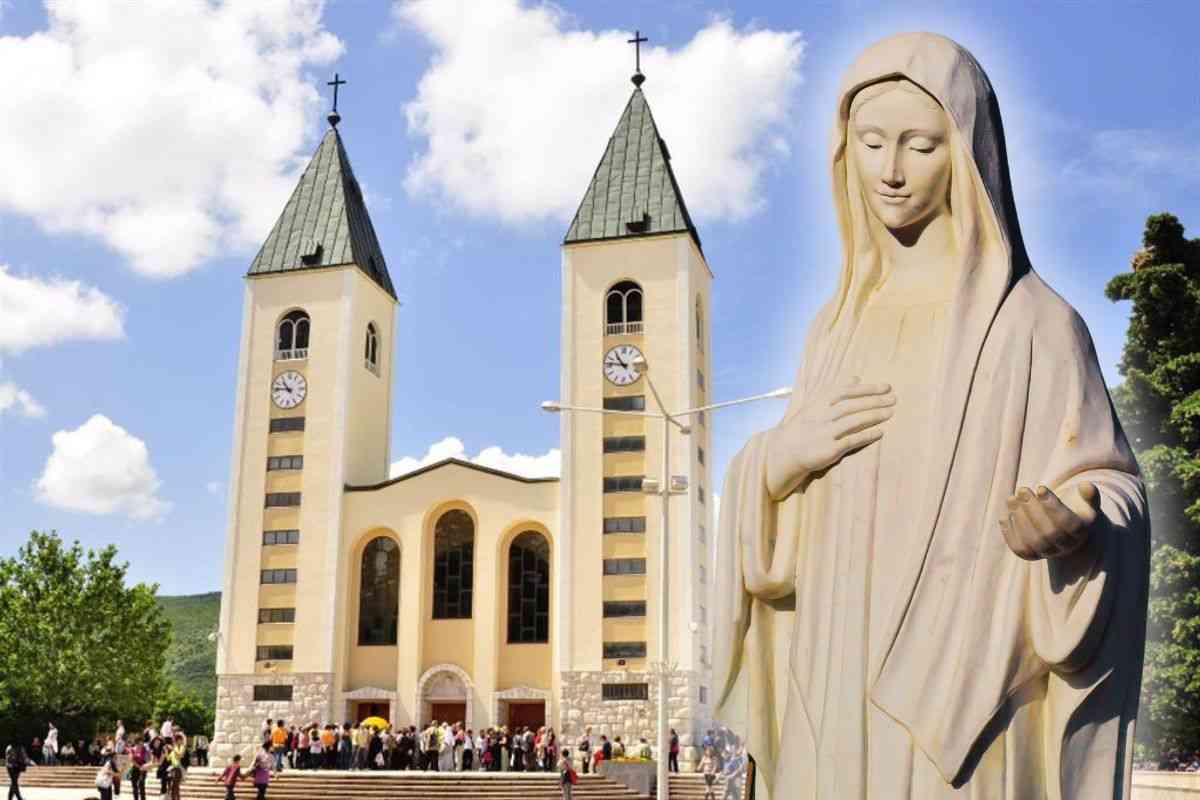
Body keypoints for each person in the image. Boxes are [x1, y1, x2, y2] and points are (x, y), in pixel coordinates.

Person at [712, 31, 1150, 800]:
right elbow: (778, 522)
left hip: (965, 677)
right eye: (871, 142)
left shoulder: (1034, 325)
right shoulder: (836, 327)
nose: (889, 172)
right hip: (836, 664)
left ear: (968, 152)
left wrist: (1077, 525)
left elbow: (1110, 485)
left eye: (919, 145)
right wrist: (779, 459)